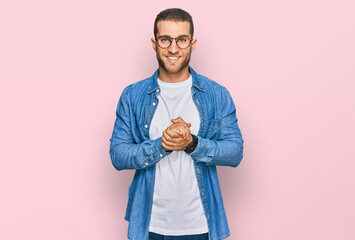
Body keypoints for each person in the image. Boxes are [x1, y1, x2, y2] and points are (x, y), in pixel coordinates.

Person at [109, 8, 244, 240]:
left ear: (193, 43)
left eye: (181, 40)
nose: (173, 49)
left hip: (201, 226)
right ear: (154, 43)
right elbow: (118, 155)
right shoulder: (132, 96)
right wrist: (162, 145)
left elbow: (235, 151)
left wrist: (192, 144)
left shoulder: (216, 94)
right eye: (165, 39)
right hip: (149, 226)